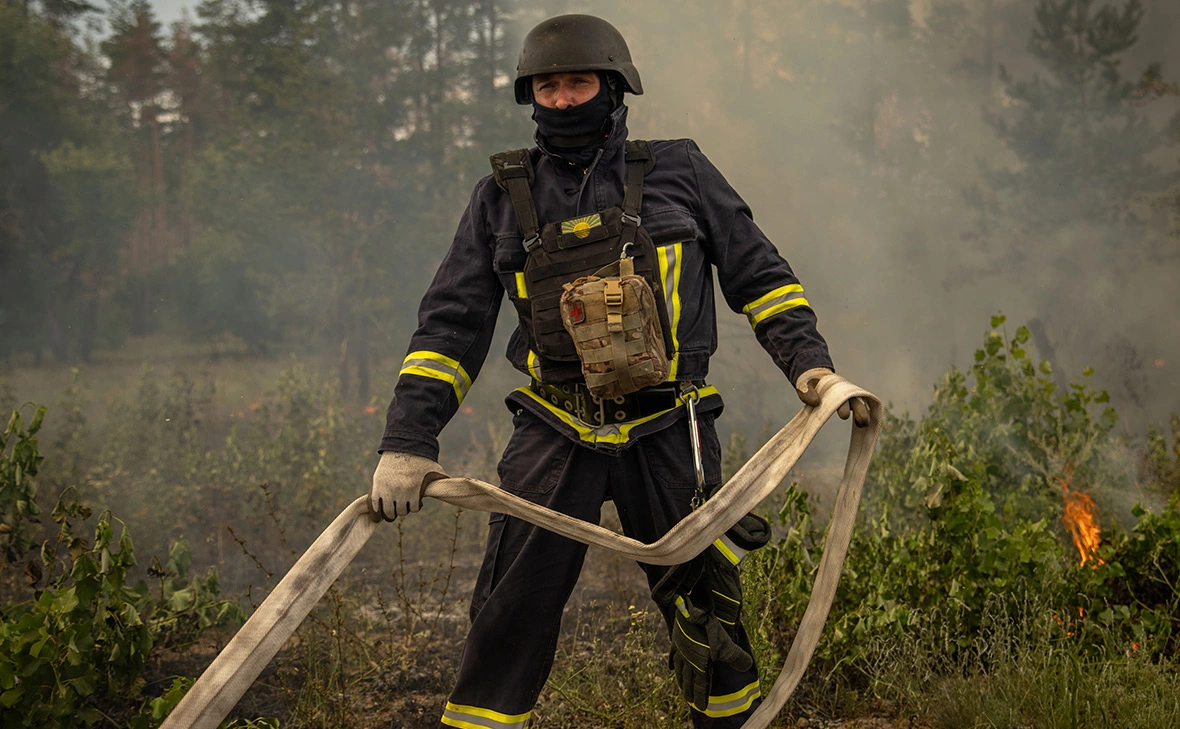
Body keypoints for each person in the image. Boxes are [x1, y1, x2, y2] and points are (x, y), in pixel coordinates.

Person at [370, 14, 868, 729]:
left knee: (709, 613)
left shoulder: (681, 171)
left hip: (672, 426)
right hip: (556, 429)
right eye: (549, 85)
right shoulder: (499, 198)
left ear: (614, 86)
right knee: (509, 613)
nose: (564, 99)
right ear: (529, 94)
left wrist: (810, 366)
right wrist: (407, 442)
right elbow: (450, 328)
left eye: (579, 83)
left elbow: (761, 276)